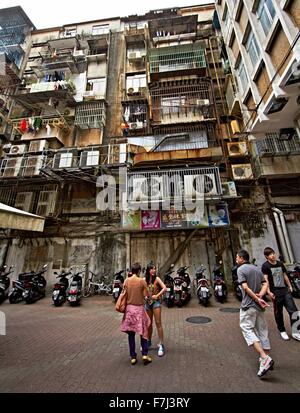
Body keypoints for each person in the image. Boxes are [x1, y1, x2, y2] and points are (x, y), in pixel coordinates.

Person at [236, 249, 274, 378]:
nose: (236, 260)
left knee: (246, 328)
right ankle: (266, 359)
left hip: (248, 305)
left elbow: (245, 288)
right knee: (262, 331)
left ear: (241, 258)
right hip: (259, 306)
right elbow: (265, 283)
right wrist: (261, 296)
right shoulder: (257, 268)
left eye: (237, 258)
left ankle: (264, 358)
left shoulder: (241, 270)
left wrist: (256, 298)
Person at [262, 247, 300, 342]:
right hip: (275, 292)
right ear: (267, 256)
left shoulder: (280, 264)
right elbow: (265, 280)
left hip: (285, 291)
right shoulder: (265, 266)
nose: (273, 255)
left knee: (294, 311)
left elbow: (284, 275)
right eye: (270, 254)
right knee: (278, 313)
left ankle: (296, 332)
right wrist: (268, 292)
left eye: (273, 253)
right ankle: (282, 330)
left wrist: (290, 286)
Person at [120, 262, 152, 365]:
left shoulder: (126, 281)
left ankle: (133, 357)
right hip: (139, 309)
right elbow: (146, 296)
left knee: (131, 334)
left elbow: (124, 294)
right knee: (143, 332)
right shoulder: (141, 281)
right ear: (138, 271)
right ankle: (144, 354)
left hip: (129, 310)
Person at [144, 262, 167, 357]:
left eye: (155, 269)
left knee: (158, 323)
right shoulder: (144, 279)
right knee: (149, 324)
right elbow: (141, 289)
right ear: (148, 270)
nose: (154, 270)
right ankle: (148, 342)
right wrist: (144, 296)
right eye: (152, 269)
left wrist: (157, 295)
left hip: (156, 303)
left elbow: (164, 288)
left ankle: (161, 345)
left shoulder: (157, 279)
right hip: (147, 304)